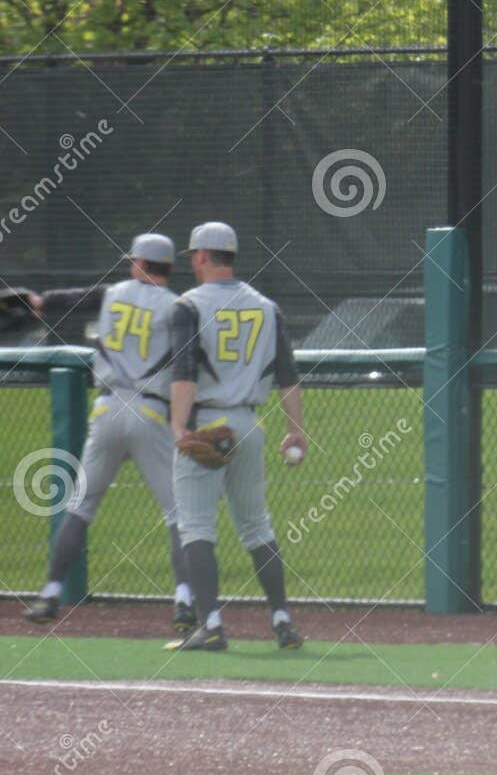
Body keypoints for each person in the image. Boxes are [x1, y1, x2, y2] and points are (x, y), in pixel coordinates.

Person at [22, 234, 192, 629]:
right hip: (151, 412)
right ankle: (184, 601)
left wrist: (41, 302)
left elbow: (76, 298)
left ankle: (49, 594)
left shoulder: (113, 293)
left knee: (80, 508)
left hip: (107, 410)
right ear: (168, 266)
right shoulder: (177, 306)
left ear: (139, 263)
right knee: (180, 514)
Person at [164, 221, 308, 652]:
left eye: (194, 255)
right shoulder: (267, 306)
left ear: (204, 256)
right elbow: (288, 377)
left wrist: (178, 426)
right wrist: (295, 430)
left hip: (207, 423)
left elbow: (184, 372)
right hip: (249, 423)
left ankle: (210, 626)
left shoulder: (188, 305)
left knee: (196, 527)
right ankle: (282, 620)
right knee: (256, 525)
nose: (192, 262)